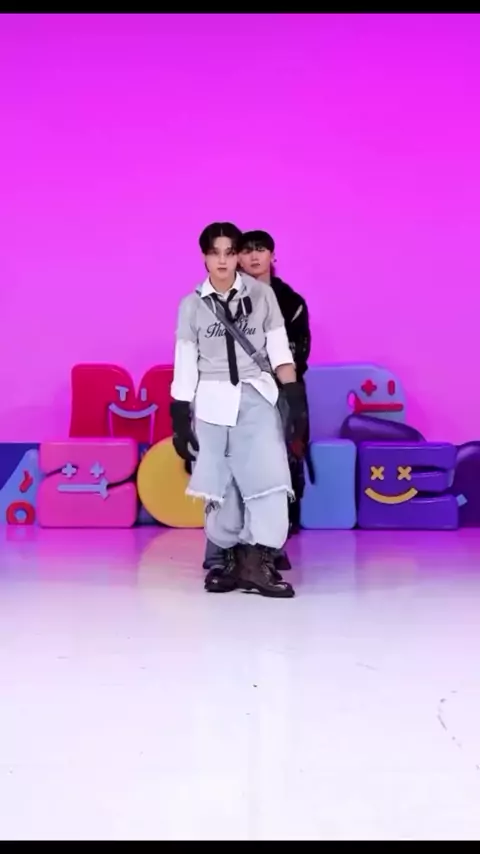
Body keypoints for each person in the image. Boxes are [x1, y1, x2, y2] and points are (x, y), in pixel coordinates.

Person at [170, 222, 309, 598]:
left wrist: (294, 396)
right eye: (214, 252)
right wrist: (180, 415)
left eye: (229, 252)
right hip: (212, 404)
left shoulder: (262, 296)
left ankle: (259, 561)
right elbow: (186, 361)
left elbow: (278, 349)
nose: (222, 260)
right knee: (221, 486)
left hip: (256, 398)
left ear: (236, 256)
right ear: (203, 256)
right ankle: (231, 561)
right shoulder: (192, 305)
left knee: (269, 479)